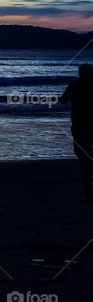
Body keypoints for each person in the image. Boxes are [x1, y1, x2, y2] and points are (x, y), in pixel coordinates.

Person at [60, 64, 93, 202]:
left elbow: (63, 100)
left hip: (80, 126)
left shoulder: (75, 85)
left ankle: (87, 193)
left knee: (84, 161)